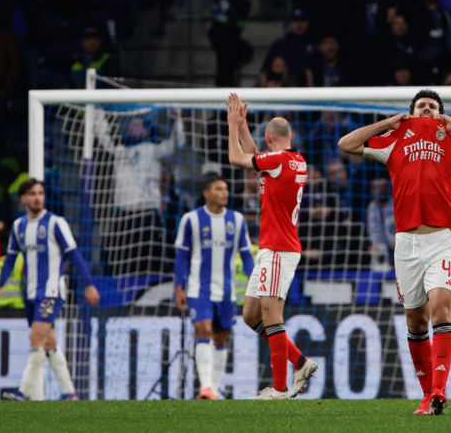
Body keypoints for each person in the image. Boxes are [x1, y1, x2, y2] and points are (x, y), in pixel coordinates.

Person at [338, 89, 451, 414]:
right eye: (421, 106)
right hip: (405, 245)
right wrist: (388, 123)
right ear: (411, 113)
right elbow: (346, 144)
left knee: (441, 312)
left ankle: (441, 391)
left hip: (441, 240)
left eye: (433, 106)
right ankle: (428, 395)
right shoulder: (392, 141)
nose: (427, 109)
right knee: (416, 323)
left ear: (441, 113)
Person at [226, 93, 318, 400]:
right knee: (252, 315)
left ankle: (279, 388)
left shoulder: (277, 161)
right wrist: (243, 126)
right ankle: (301, 362)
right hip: (273, 247)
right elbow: (255, 158)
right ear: (290, 137)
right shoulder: (292, 160)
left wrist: (231, 125)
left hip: (279, 248)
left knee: (270, 314)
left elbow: (238, 159)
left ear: (268, 139)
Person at [0, 178, 99, 401]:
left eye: (41, 193)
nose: (37, 197)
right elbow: (10, 261)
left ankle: (24, 391)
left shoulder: (55, 223)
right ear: (23, 198)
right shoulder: (18, 226)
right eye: (32, 194)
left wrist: (88, 284)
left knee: (35, 336)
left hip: (52, 291)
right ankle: (70, 393)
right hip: (30, 293)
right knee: (48, 342)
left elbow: (75, 255)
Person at [174, 175, 255, 400]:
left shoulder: (237, 220)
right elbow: (181, 256)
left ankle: (214, 390)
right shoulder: (191, 219)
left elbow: (247, 254)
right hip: (198, 289)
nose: (224, 193)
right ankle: (205, 387)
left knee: (220, 339)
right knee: (204, 331)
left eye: (226, 189)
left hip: (227, 291)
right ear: (206, 193)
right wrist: (178, 288)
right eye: (219, 189)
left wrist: (253, 278)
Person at [95, 108, 183, 280]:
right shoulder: (120, 151)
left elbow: (177, 142)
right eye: (131, 125)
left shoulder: (154, 149)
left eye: (137, 124)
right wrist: (97, 114)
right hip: (123, 214)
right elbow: (104, 138)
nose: (132, 128)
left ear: (147, 129)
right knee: (118, 257)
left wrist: (177, 118)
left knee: (154, 257)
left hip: (147, 212)